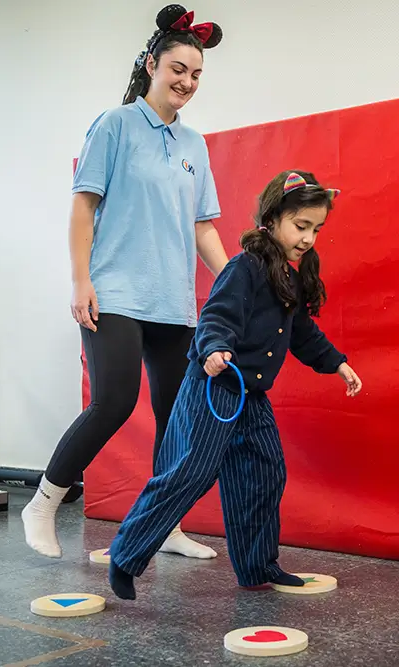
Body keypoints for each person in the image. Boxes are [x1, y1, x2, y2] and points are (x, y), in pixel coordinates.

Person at [21, 5, 230, 561]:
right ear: (151, 65)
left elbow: (202, 226)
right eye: (178, 69)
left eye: (196, 74)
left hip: (172, 302)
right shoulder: (114, 125)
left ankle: (166, 526)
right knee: (114, 401)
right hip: (113, 292)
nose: (187, 82)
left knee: (175, 416)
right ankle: (42, 503)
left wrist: (234, 277)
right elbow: (83, 207)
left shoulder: (194, 145)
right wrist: (80, 281)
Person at [106, 170, 363, 600]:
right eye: (301, 226)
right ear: (273, 219)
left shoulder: (288, 278)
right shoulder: (243, 268)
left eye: (316, 230)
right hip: (215, 388)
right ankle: (126, 554)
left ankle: (257, 565)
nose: (308, 238)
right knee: (191, 472)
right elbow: (216, 315)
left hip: (251, 396)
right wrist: (214, 348)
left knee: (265, 473)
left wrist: (337, 362)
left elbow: (302, 333)